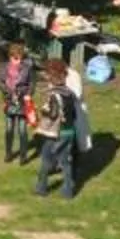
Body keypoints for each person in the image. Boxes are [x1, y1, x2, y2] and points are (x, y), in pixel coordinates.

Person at [30, 72, 81, 200]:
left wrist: (43, 110)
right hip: (70, 131)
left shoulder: (54, 95)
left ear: (52, 81)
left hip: (56, 133)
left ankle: (41, 188)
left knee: (46, 160)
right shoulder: (70, 93)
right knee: (66, 162)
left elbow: (53, 115)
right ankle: (68, 192)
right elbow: (74, 113)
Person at [0, 42, 35, 163]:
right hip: (9, 101)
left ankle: (23, 156)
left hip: (22, 101)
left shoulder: (27, 68)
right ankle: (8, 153)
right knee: (9, 129)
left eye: (19, 58)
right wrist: (8, 92)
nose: (17, 61)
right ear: (10, 56)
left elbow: (32, 83)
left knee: (22, 130)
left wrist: (28, 94)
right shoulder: (4, 67)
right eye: (15, 58)